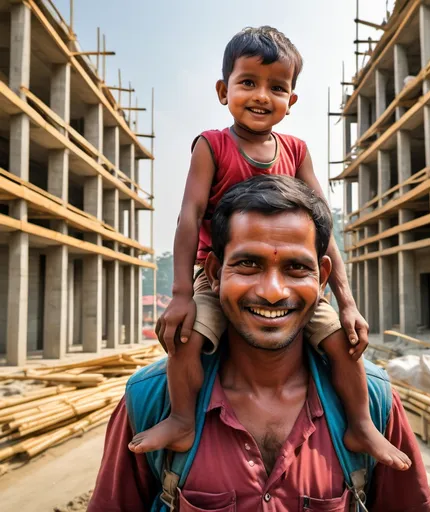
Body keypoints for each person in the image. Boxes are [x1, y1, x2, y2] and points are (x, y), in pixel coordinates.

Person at [128, 26, 410, 470]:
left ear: (291, 99)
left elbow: (323, 228)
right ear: (224, 90)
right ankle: (183, 418)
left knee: (340, 341)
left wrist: (346, 301)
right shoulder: (212, 146)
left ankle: (360, 424)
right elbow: (188, 216)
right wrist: (183, 292)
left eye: (276, 87)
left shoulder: (296, 151)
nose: (261, 96)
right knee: (186, 339)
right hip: (221, 274)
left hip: (293, 272)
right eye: (248, 83)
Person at [89, 176, 430, 511]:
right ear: (212, 274)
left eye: (297, 268)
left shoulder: (376, 404)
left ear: (323, 279)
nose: (272, 292)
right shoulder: (149, 402)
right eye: (247, 264)